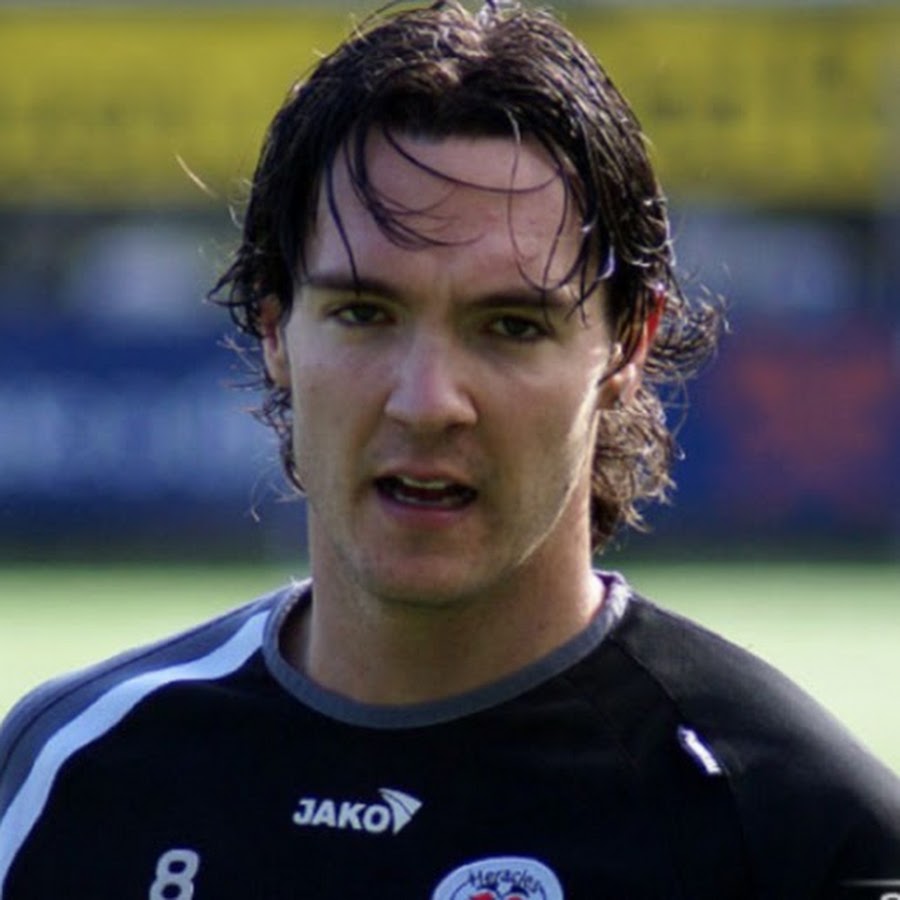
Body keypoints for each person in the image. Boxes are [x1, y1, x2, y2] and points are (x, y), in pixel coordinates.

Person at [1, 1, 898, 897]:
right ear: (274, 327)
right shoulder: (61, 780)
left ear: (627, 344)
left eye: (510, 325)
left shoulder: (803, 839)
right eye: (364, 313)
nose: (428, 402)